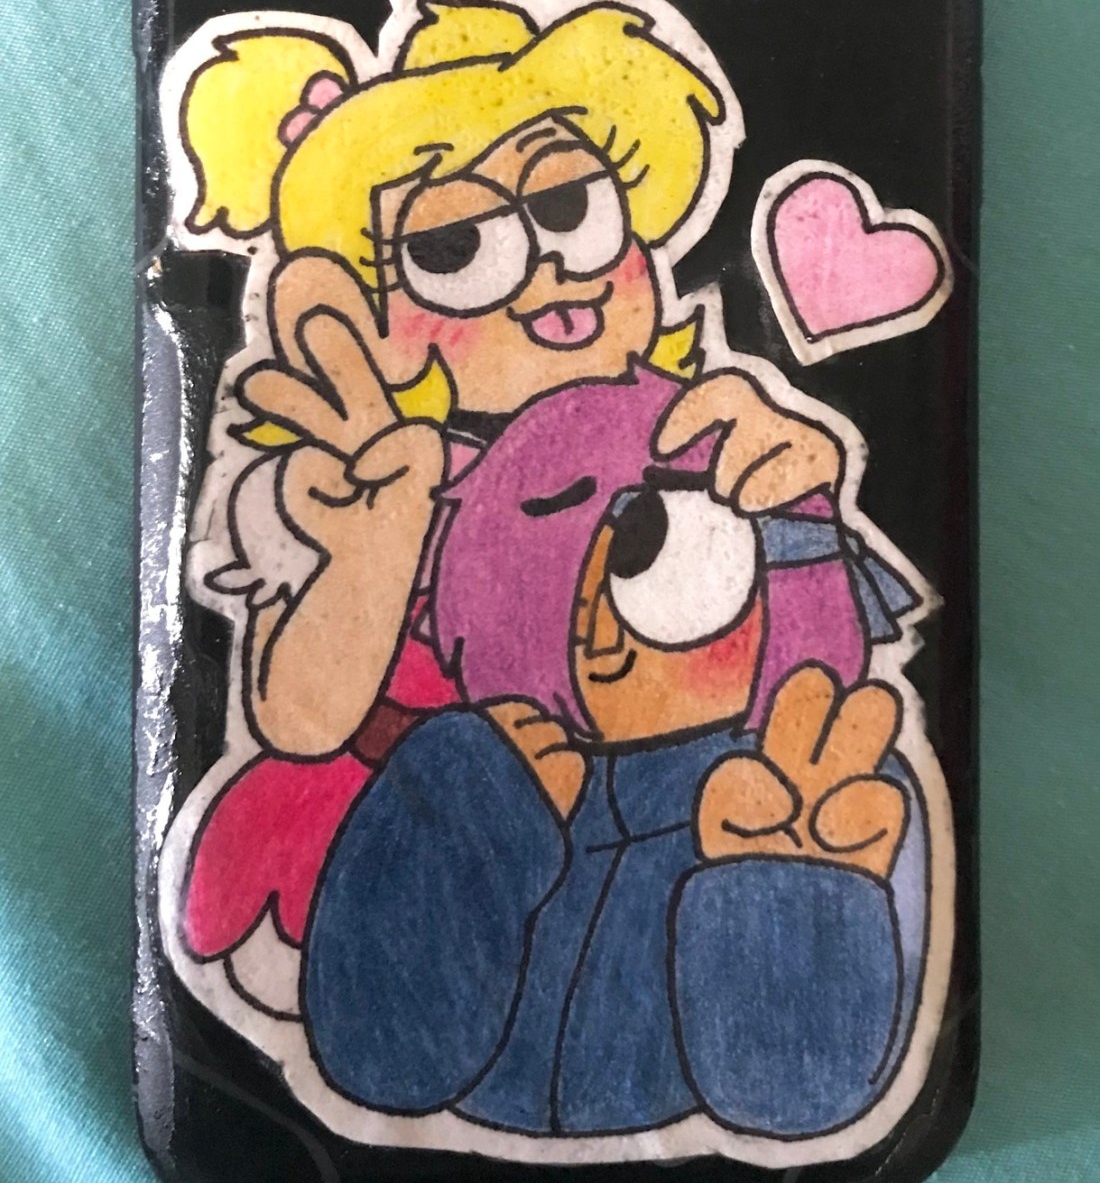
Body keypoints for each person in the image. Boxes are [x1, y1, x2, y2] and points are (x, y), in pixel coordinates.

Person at [172, 0, 853, 1010]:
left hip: (672, 856)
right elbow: (300, 718)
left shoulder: (698, 434)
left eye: (572, 206)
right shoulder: (355, 480)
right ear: (372, 322)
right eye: (455, 248)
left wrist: (798, 524)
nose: (545, 270)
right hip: (428, 870)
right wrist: (374, 547)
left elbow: (813, 698)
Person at [304, 368, 928, 1139]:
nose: (600, 645)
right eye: (537, 588)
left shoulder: (813, 791)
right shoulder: (477, 771)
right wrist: (466, 808)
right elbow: (379, 1058)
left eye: (648, 557)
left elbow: (792, 1097)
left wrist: (791, 891)